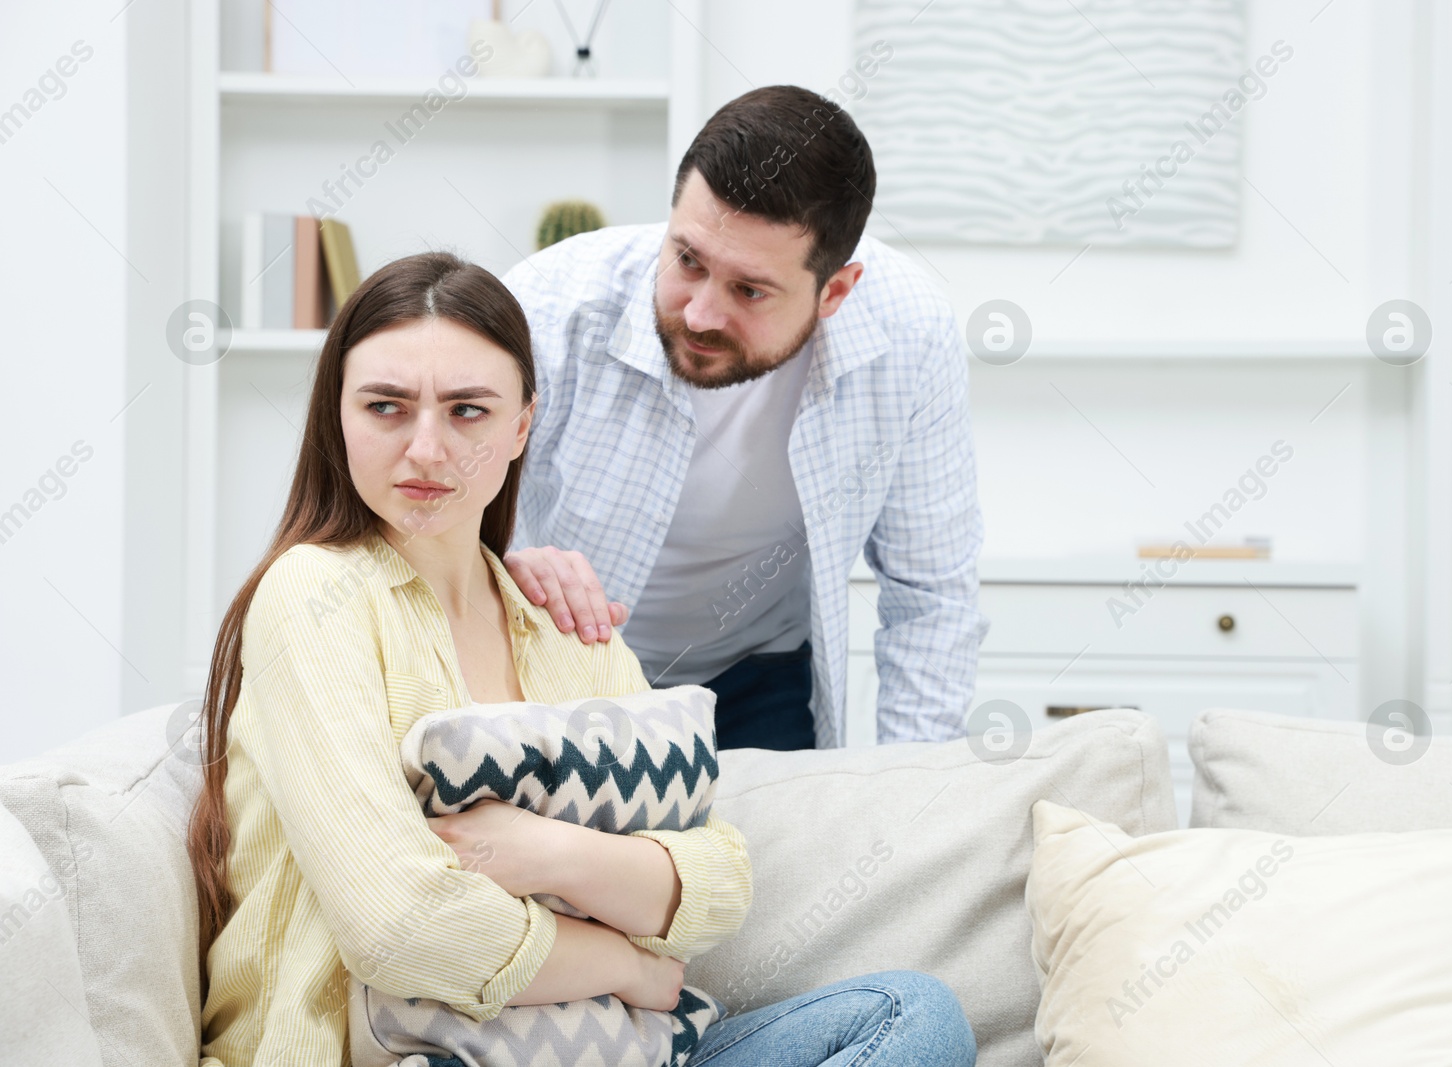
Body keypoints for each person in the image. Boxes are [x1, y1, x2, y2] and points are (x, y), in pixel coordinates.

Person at [185, 251, 976, 1067]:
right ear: (337, 416)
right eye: (386, 407)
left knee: (912, 1015)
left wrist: (544, 852)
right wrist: (628, 961)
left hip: (606, 1051)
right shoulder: (313, 595)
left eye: (467, 411)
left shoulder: (564, 624)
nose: (426, 449)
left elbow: (717, 880)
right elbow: (400, 925)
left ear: (523, 424)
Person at [500, 84, 989, 752]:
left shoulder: (912, 333)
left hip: (759, 675)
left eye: (749, 289)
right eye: (687, 260)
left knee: (779, 857)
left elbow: (931, 596)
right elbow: (441, 525)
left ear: (835, 291)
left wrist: (911, 797)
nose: (700, 312)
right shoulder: (547, 308)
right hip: (560, 674)